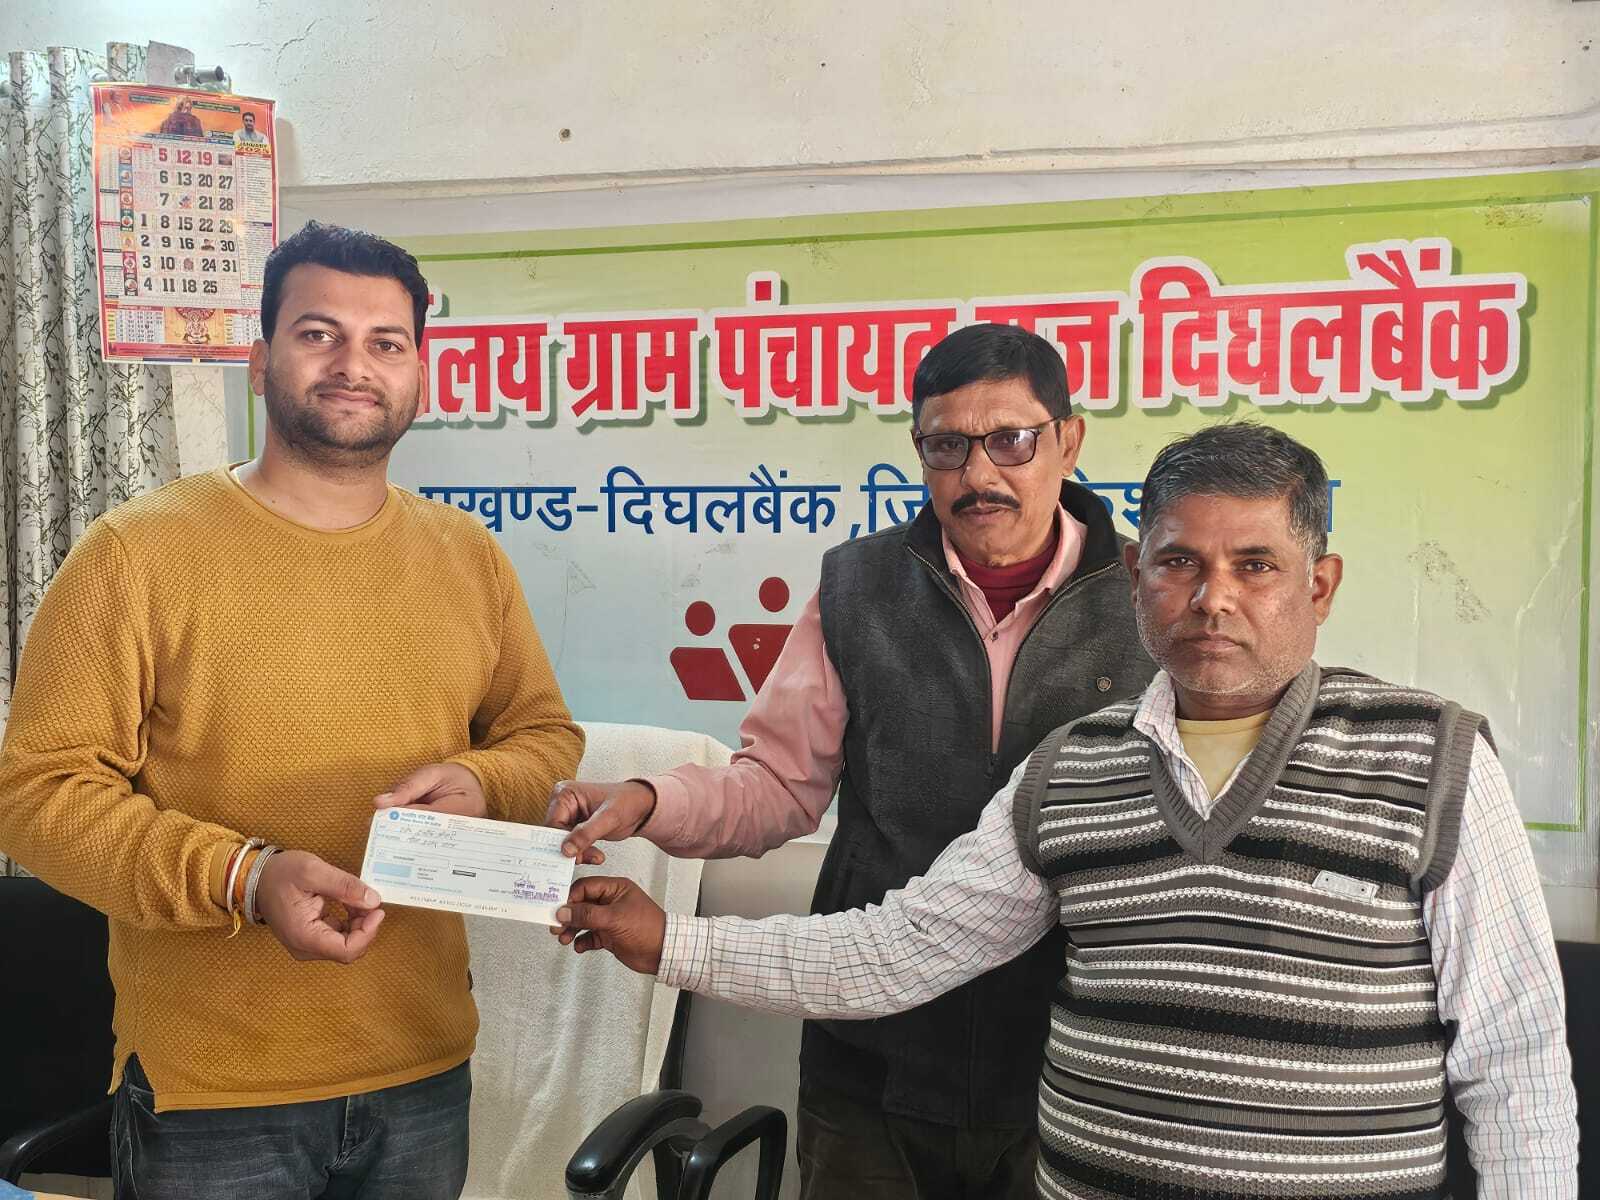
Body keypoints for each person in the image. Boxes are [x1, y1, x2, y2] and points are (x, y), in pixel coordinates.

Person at [553, 422, 1579, 1200]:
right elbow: (898, 951)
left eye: (1255, 565)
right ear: (1135, 578)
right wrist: (668, 942)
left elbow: (1515, 1058)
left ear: (1320, 585)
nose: (1212, 598)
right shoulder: (1075, 767)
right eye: (1178, 562)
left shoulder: (1429, 756)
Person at [0, 221, 584, 1200]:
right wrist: (245, 877)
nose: (355, 365)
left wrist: (482, 781)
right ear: (259, 358)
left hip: (421, 1070)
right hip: (214, 1093)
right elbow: (37, 793)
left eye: (386, 342)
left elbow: (545, 737)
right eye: (319, 334)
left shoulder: (467, 556)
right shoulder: (135, 555)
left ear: (418, 372)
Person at [548, 322, 1156, 1199]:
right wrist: (649, 800)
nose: (978, 474)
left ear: (1069, 440)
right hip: (872, 1062)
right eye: (946, 446)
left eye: (1011, 440)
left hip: (1070, 1062)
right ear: (918, 450)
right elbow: (776, 788)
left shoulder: (1151, 597)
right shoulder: (858, 587)